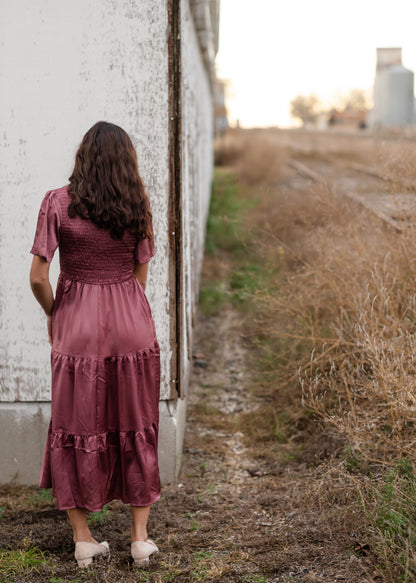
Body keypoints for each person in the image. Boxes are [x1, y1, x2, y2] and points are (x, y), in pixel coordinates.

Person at [29, 121, 161, 569]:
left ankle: (84, 538)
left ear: (82, 156)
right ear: (127, 161)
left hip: (77, 327)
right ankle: (140, 539)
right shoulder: (136, 205)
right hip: (131, 325)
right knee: (136, 422)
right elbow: (139, 277)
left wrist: (57, 311)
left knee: (76, 422)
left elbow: (36, 276)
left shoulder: (57, 203)